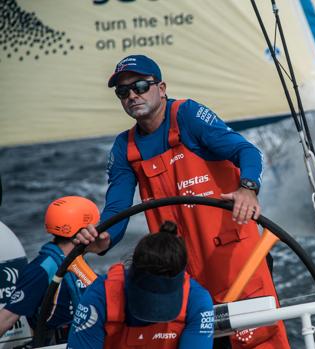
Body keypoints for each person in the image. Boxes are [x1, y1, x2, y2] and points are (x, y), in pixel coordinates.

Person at [73, 54, 289, 348]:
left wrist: (247, 189)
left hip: (237, 262)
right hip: (180, 271)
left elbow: (247, 152)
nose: (132, 95)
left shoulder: (187, 115)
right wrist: (105, 238)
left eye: (139, 86)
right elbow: (118, 207)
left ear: (161, 87)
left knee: (260, 341)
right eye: (123, 92)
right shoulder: (124, 146)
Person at [67, 221, 215, 349]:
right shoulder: (99, 296)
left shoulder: (197, 300)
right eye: (147, 298)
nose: (154, 312)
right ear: (129, 276)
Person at [0, 196, 99, 341]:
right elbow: (6, 318)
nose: (97, 231)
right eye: (94, 227)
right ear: (82, 231)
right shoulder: (42, 269)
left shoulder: (75, 260)